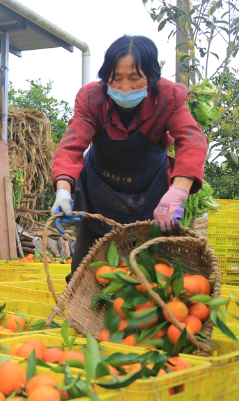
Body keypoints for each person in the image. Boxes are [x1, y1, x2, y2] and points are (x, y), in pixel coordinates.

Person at [51, 35, 207, 282]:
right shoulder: (93, 98)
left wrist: (178, 191)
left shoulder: (168, 97)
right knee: (85, 272)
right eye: (116, 78)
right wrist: (63, 190)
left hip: (151, 196)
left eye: (135, 78)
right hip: (98, 194)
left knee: (154, 275)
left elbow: (192, 140)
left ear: (152, 77)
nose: (124, 87)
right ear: (106, 76)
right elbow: (71, 147)